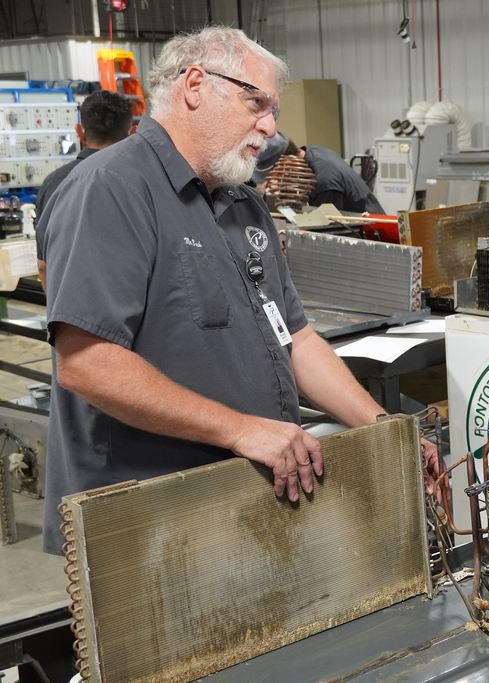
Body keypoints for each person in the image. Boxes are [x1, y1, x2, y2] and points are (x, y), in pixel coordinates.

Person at [38, 27, 436, 556]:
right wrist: (243, 430)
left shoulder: (242, 205)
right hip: (146, 522)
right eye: (257, 103)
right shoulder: (112, 188)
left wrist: (387, 431)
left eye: (272, 109)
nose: (270, 128)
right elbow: (88, 363)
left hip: (243, 508)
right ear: (196, 85)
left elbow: (294, 337)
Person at [34, 90, 134, 289]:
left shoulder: (55, 182)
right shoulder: (142, 179)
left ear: (80, 131)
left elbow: (44, 264)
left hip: (71, 306)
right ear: (131, 133)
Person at [253, 132, 384, 215]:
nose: (271, 180)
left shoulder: (323, 181)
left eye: (273, 174)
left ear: (286, 163)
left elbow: (326, 229)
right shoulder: (313, 152)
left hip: (372, 234)